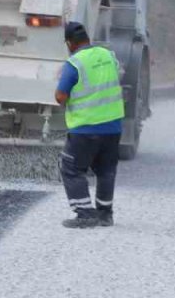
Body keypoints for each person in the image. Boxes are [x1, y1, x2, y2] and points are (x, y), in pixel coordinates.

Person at [55, 21, 124, 229]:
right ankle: (105, 215)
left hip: (86, 128)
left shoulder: (75, 63)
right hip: (113, 127)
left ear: (69, 43)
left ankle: (85, 213)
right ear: (87, 39)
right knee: (106, 170)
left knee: (71, 168)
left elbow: (60, 96)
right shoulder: (108, 55)